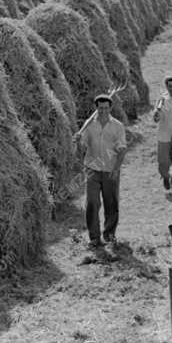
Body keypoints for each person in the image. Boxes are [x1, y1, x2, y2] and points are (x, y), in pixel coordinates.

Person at [75, 94, 127, 248]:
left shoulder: (117, 126)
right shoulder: (89, 125)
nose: (103, 111)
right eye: (100, 108)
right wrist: (78, 141)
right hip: (92, 169)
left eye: (106, 108)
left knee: (111, 203)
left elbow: (122, 150)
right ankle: (94, 238)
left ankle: (109, 235)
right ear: (96, 108)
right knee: (92, 202)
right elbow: (83, 148)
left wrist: (116, 169)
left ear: (110, 108)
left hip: (110, 170)